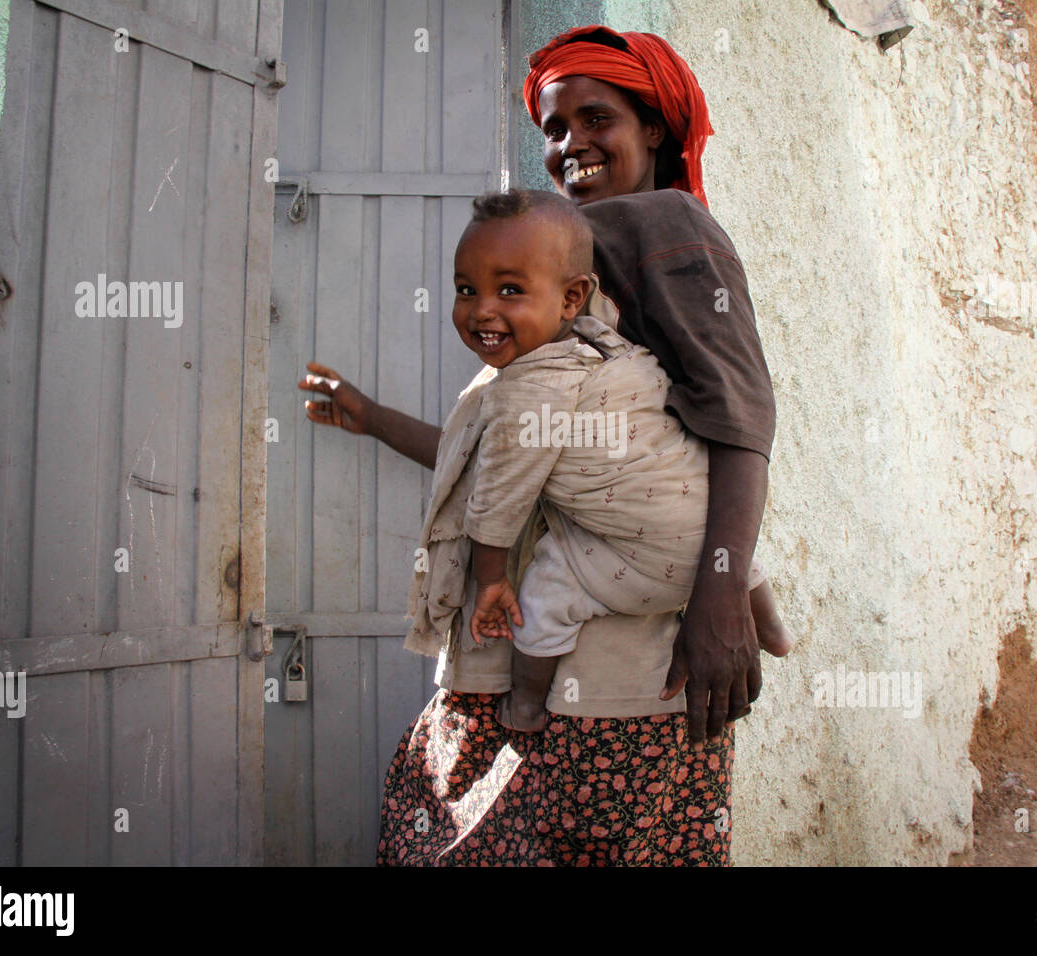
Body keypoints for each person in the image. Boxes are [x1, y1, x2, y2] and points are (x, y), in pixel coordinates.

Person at [299, 25, 779, 865]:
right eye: (554, 129)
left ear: (654, 129)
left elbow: (742, 419)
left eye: (597, 119)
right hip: (538, 667)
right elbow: (510, 463)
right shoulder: (553, 269)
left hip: (616, 677)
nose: (571, 145)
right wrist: (371, 417)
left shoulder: (666, 225)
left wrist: (720, 595)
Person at [417, 187, 789, 733]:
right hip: (717, 548)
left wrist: (492, 581)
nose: (482, 310)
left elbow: (497, 504)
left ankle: (525, 704)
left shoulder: (524, 393)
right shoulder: (603, 339)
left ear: (573, 297)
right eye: (466, 290)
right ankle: (774, 630)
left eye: (510, 290)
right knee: (690, 493)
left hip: (640, 569)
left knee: (546, 595)